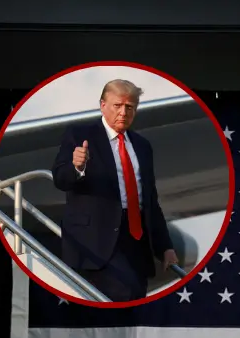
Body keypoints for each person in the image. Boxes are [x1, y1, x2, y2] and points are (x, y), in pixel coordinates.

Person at [51, 79, 179, 302]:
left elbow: (150, 201)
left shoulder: (142, 146)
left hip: (136, 241)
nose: (123, 112)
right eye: (117, 106)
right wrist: (76, 167)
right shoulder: (80, 134)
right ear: (102, 105)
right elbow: (60, 179)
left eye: (129, 107)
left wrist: (165, 247)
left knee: (134, 300)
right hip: (95, 241)